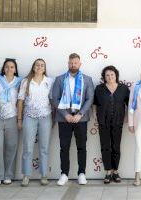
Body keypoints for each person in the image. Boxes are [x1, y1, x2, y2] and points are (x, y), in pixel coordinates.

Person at [51, 53, 94, 186]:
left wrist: (80, 114)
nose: (73, 65)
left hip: (80, 119)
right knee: (64, 147)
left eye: (75, 63)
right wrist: (66, 115)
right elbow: (54, 99)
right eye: (71, 63)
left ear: (80, 64)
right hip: (65, 119)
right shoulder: (59, 79)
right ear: (68, 63)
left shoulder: (87, 79)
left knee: (82, 147)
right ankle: (64, 174)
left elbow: (90, 98)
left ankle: (82, 173)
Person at [17, 58, 54, 186]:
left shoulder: (49, 81)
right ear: (33, 67)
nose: (39, 67)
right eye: (37, 65)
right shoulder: (25, 82)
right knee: (27, 148)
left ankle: (44, 175)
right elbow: (20, 101)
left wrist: (54, 118)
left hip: (45, 117)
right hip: (29, 117)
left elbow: (52, 101)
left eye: (42, 65)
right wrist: (20, 119)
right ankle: (26, 175)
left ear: (45, 68)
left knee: (44, 148)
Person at [93, 65, 130, 184]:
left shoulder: (123, 88)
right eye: (107, 75)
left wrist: (128, 117)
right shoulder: (99, 88)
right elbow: (95, 103)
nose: (110, 77)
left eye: (112, 75)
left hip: (118, 121)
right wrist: (95, 116)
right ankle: (108, 172)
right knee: (105, 146)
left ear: (116, 75)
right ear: (104, 77)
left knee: (116, 147)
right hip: (103, 121)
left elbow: (129, 104)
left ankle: (116, 171)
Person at [0, 58, 22, 185]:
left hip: (12, 118)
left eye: (12, 67)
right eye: (7, 66)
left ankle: (8, 175)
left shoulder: (19, 82)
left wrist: (20, 118)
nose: (9, 69)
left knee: (11, 147)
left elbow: (20, 102)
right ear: (4, 68)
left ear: (15, 69)